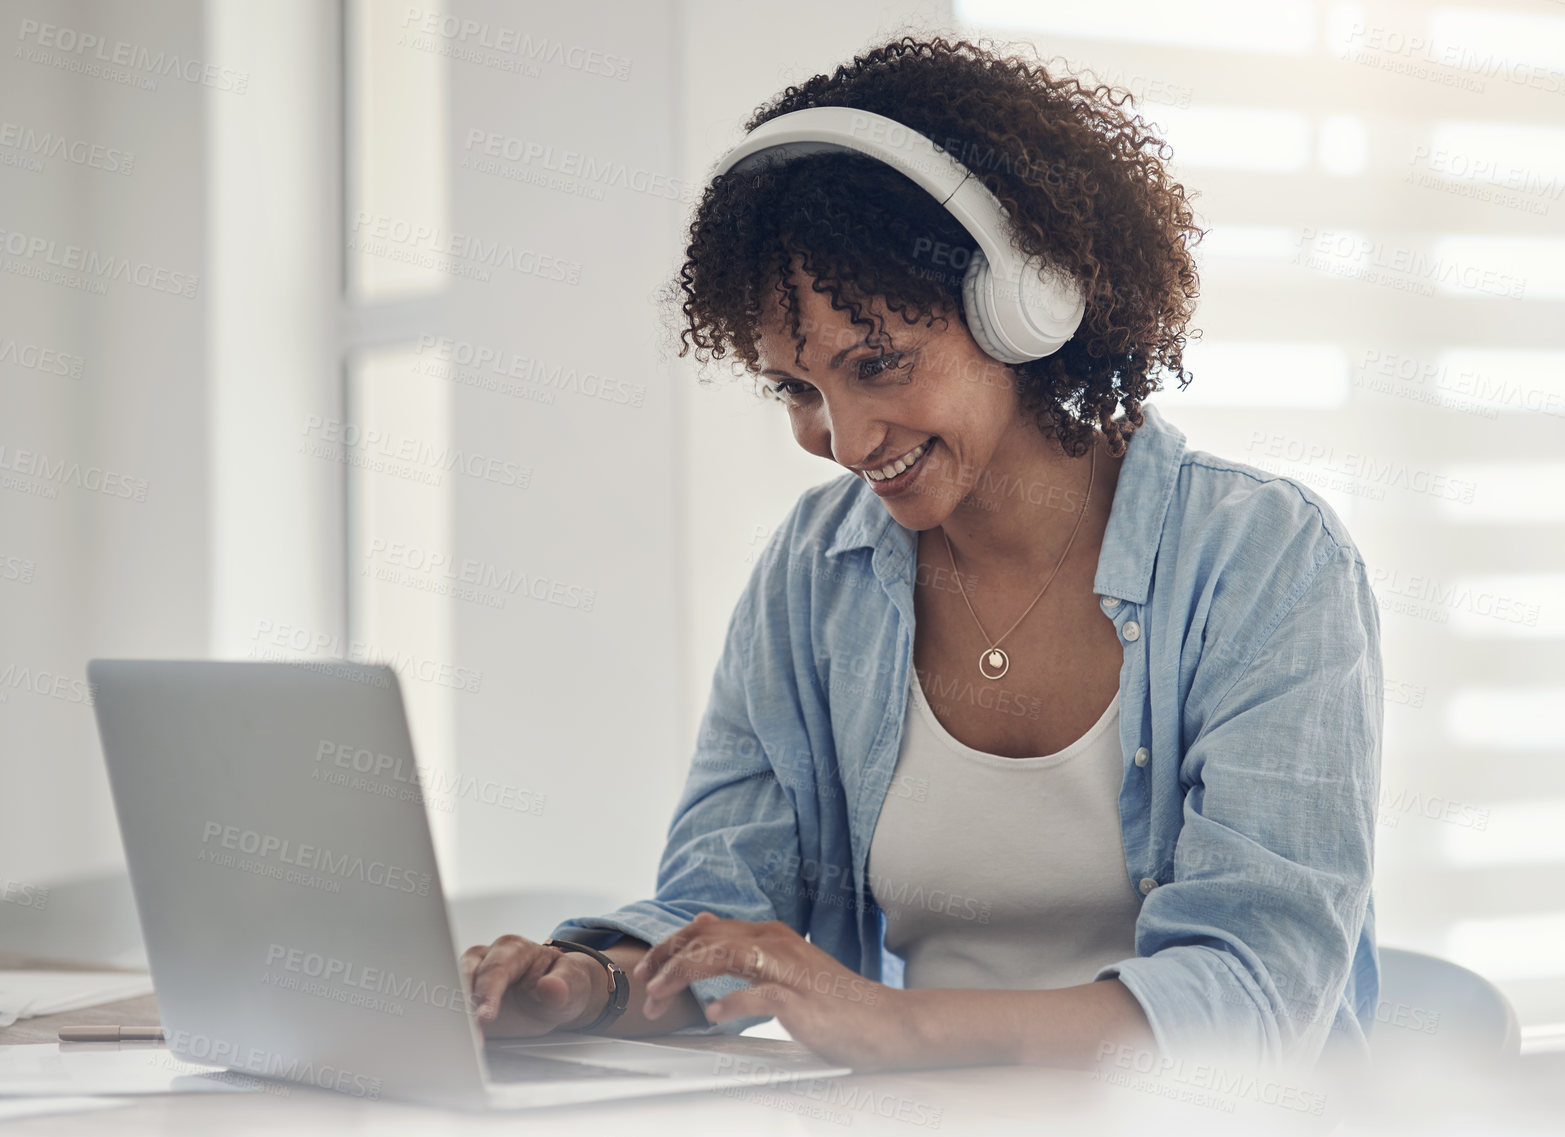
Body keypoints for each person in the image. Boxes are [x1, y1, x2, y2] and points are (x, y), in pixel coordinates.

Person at [461, 34, 1382, 1075]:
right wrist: (592, 984)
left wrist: (899, 1023)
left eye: (878, 364)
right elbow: (726, 908)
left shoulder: (1263, 562)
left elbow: (1255, 991)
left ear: (1024, 303)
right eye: (797, 392)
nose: (845, 443)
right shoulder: (815, 574)